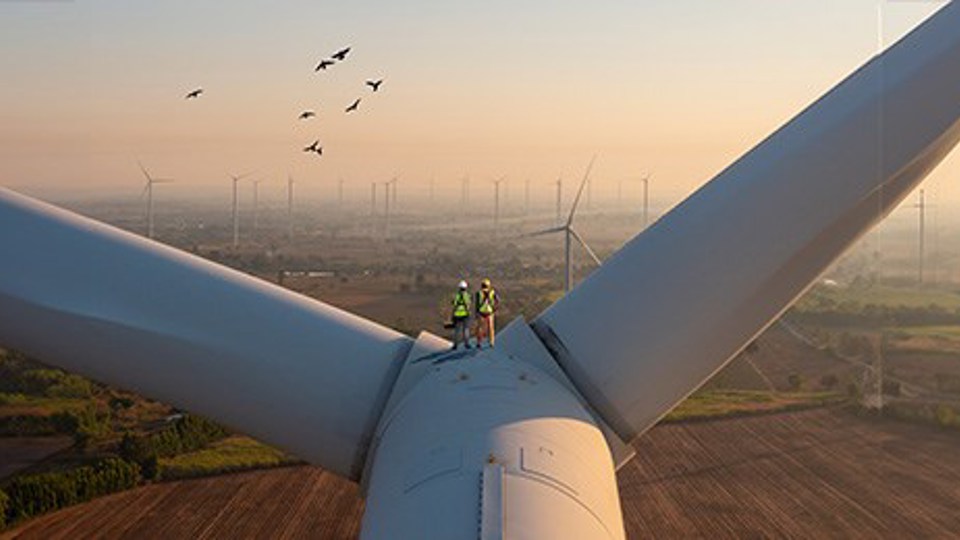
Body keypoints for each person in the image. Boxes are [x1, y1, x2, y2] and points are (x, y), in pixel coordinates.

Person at [474, 278, 499, 348]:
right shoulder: (492, 292)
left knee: (480, 328)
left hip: (481, 312)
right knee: (491, 328)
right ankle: (491, 342)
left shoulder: (479, 293)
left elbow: (477, 304)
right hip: (490, 312)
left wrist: (476, 313)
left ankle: (479, 342)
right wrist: (494, 309)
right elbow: (497, 301)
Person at [450, 280, 472, 350]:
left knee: (457, 330)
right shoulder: (467, 295)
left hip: (457, 314)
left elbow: (454, 304)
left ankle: (455, 345)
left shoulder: (457, 295)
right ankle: (467, 344)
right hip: (465, 314)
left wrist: (453, 314)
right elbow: (468, 304)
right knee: (466, 329)